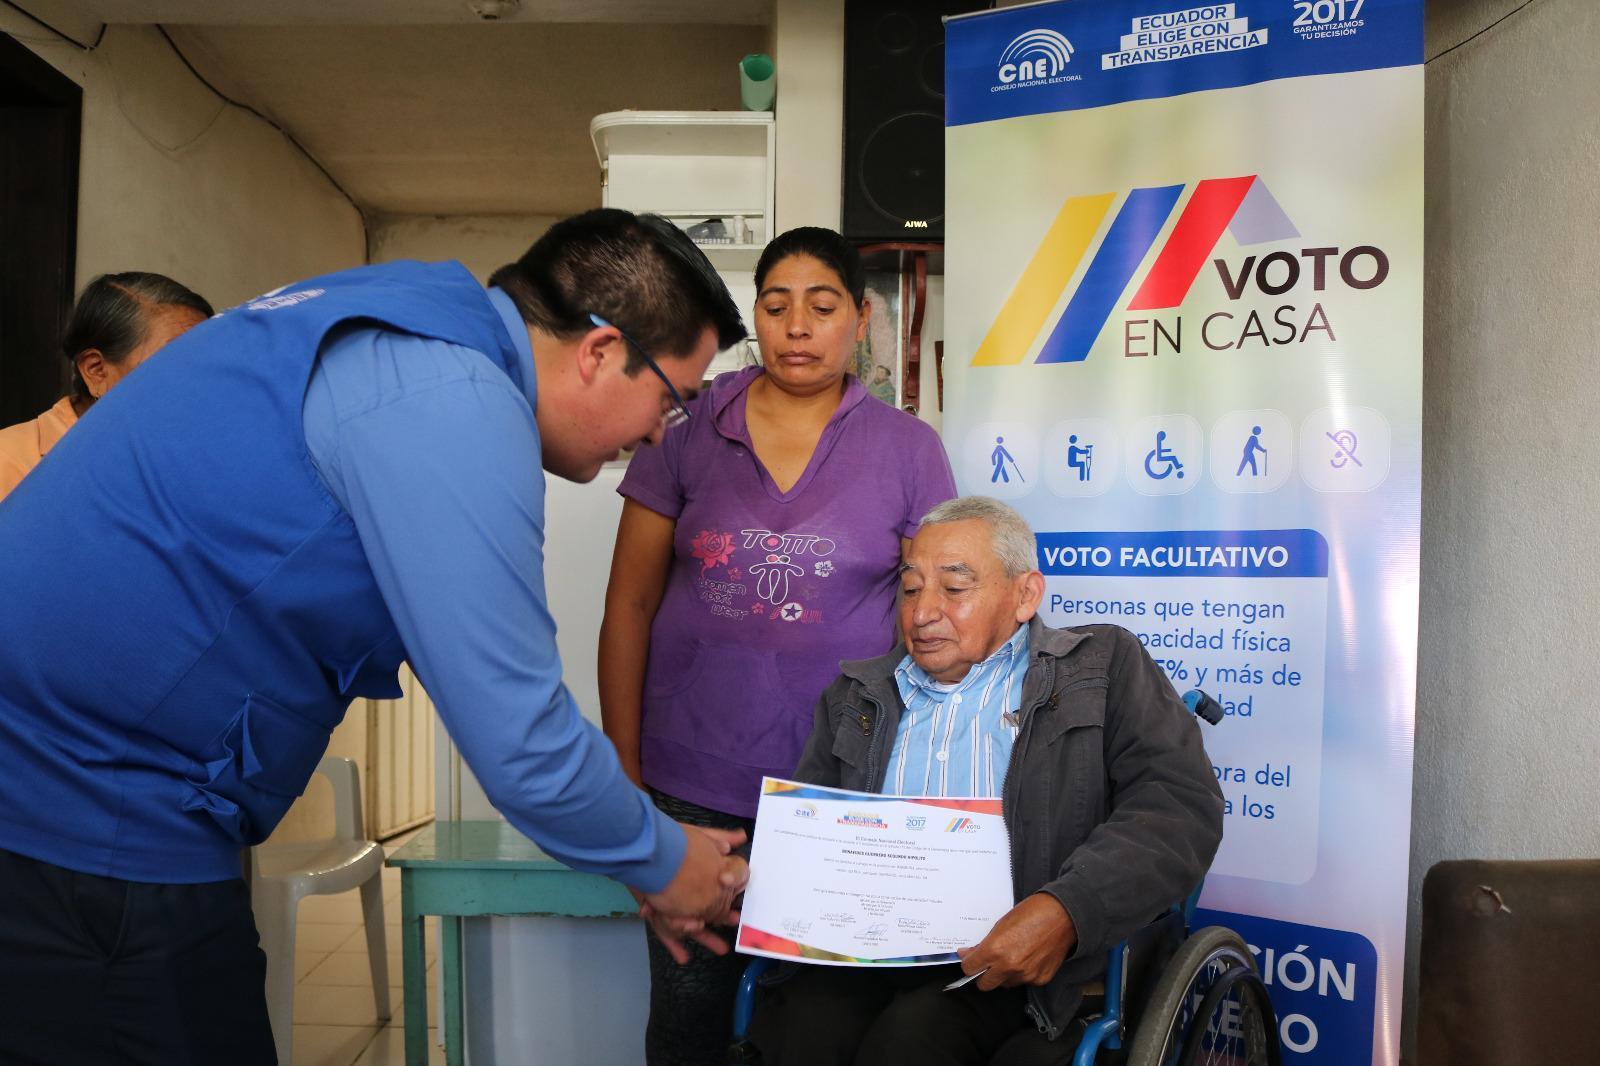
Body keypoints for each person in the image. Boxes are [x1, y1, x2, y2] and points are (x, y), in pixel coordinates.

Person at [0, 209, 753, 1065]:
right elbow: (521, 740)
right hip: (70, 813)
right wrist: (666, 860)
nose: (660, 432)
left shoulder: (400, 319)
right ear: (599, 351)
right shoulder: (450, 399)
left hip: (90, 799)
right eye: (671, 398)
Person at [599, 226, 957, 1065]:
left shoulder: (910, 451)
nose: (798, 326)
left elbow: (936, 615)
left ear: (859, 318)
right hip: (693, 786)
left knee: (815, 1023)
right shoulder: (689, 424)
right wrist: (623, 766)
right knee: (690, 1016)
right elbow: (629, 602)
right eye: (776, 304)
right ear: (754, 315)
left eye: (823, 305)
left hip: (842, 788)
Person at [748, 497, 1224, 1066]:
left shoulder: (1101, 667)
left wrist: (1066, 910)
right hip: (868, 951)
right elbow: (815, 832)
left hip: (1025, 968)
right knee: (797, 1029)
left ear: (1025, 595)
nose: (922, 613)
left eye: (953, 588)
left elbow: (1177, 809)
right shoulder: (859, 695)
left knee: (911, 1041)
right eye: (910, 588)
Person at [0, 271, 211, 500]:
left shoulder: (191, 457)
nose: (194, 382)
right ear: (96, 371)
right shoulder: (10, 461)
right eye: (171, 359)